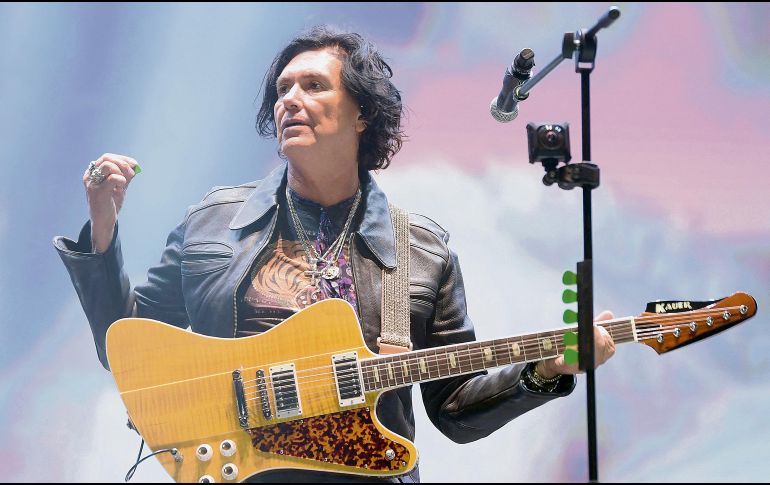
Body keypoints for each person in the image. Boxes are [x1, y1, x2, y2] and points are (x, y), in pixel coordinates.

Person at [54, 25, 615, 483]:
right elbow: (126, 347)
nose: (290, 100)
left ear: (362, 113)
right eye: (282, 90)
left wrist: (546, 370)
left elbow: (454, 410)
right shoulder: (214, 222)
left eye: (313, 86)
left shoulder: (420, 250)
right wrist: (103, 231)